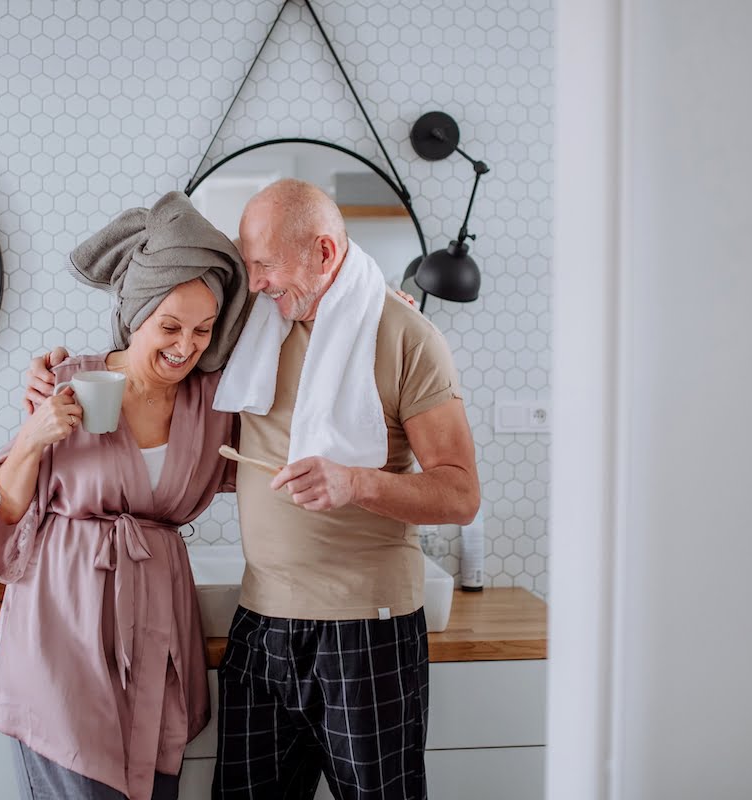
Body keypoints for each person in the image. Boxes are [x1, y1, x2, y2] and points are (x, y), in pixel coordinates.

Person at [27, 179, 480, 800]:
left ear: (323, 252)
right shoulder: (250, 328)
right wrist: (58, 371)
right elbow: (157, 355)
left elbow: (460, 495)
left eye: (266, 264)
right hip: (262, 626)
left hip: (366, 633)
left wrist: (354, 482)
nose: (257, 280)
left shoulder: (405, 336)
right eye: (250, 265)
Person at [0, 191, 249, 800]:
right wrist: (30, 441)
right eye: (170, 326)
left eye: (204, 330)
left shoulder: (213, 403)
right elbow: (10, 517)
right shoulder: (68, 381)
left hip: (156, 629)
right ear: (135, 315)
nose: (187, 346)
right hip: (62, 626)